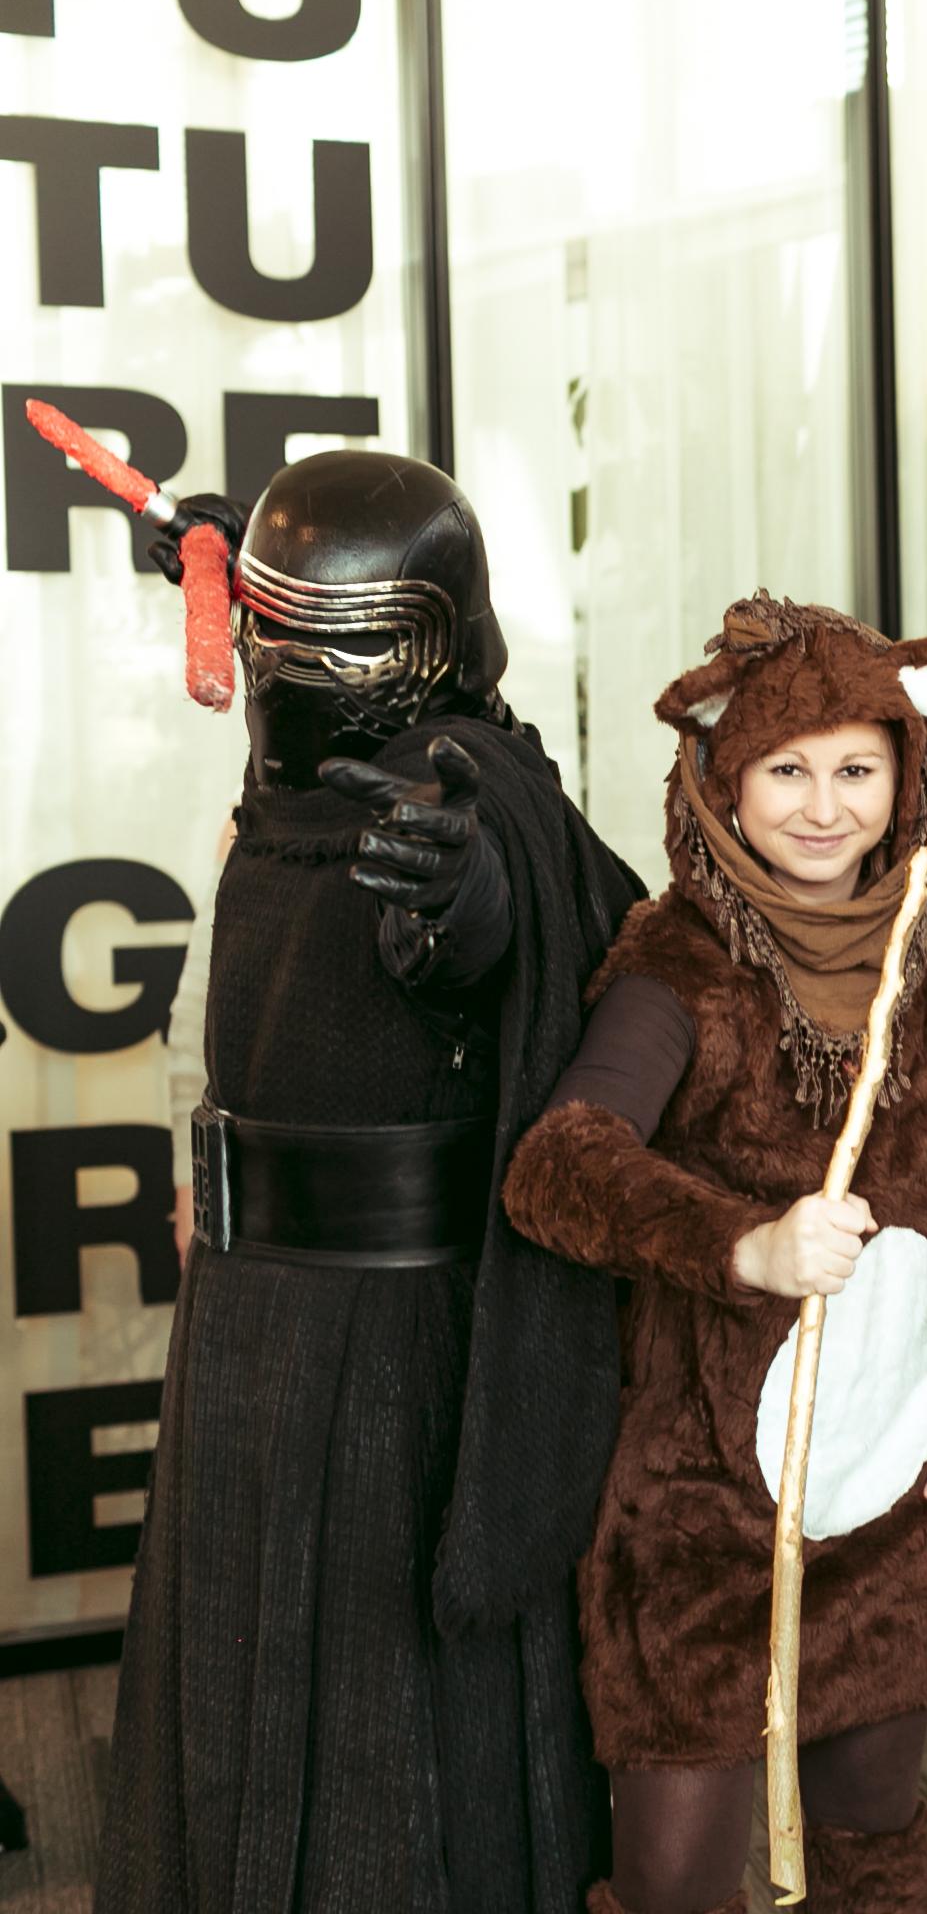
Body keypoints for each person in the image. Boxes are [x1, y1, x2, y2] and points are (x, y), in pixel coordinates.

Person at [97, 452, 643, 1914]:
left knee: (395, 1721)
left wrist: (460, 908)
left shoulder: (468, 787)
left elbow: (504, 919)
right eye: (267, 628)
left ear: (440, 641)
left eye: (330, 640)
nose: (285, 668)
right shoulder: (288, 777)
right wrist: (217, 553)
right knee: (241, 1660)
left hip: (396, 1330)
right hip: (249, 1300)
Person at [501, 597, 927, 1914]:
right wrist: (749, 1245)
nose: (824, 808)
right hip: (704, 1515)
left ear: (905, 776)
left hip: (889, 1484)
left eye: (857, 769)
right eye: (787, 770)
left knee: (873, 1853)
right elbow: (556, 1166)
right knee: (674, 1887)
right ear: (724, 780)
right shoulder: (678, 959)